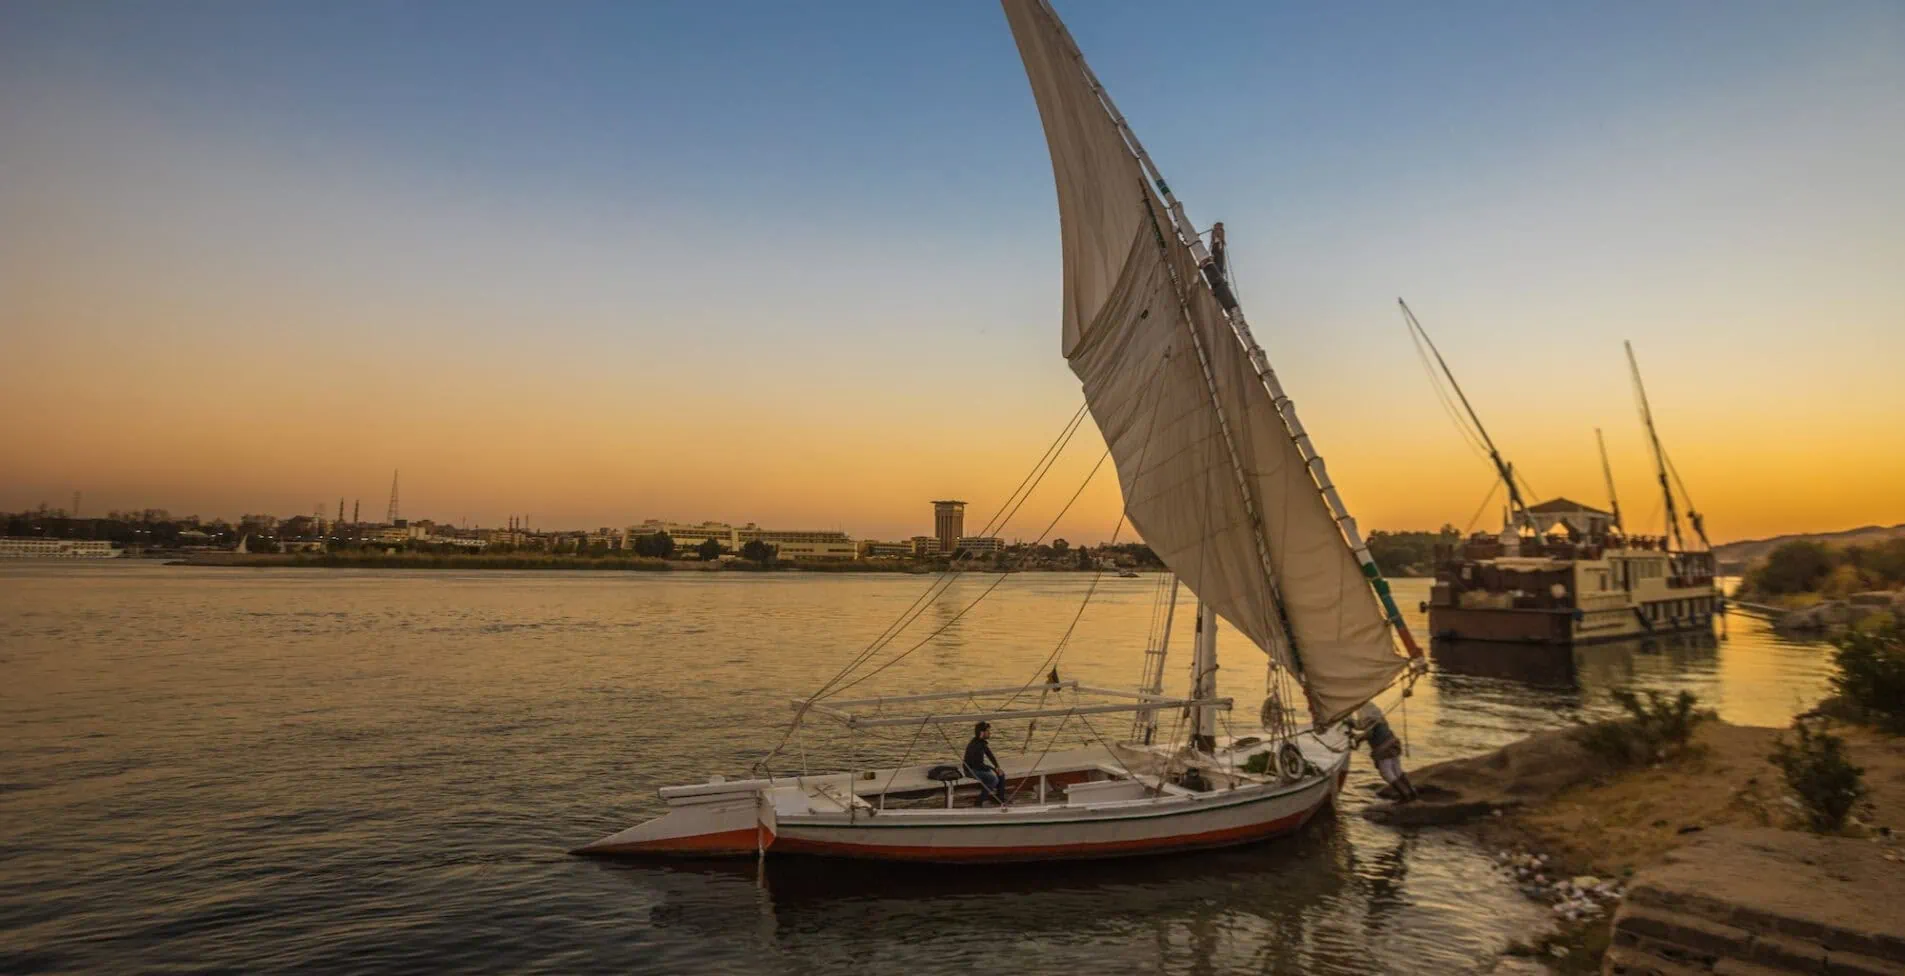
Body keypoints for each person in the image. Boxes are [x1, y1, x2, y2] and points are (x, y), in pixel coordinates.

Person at [1355, 703, 1418, 802]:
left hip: (1384, 748)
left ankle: (1405, 795)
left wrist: (1358, 739)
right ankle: (1411, 792)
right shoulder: (1373, 710)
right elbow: (1363, 725)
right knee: (1397, 770)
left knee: (1386, 773)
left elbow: (1369, 733)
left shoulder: (1365, 712)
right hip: (1392, 742)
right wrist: (1352, 724)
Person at [963, 720, 1008, 807]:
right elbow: (976, 765)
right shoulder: (975, 746)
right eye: (987, 731)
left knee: (1001, 774)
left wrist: (997, 767)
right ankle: (980, 801)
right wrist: (991, 769)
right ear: (982, 732)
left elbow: (990, 754)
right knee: (993, 779)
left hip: (978, 767)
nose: (989, 733)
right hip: (971, 770)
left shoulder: (982, 743)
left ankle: (999, 798)